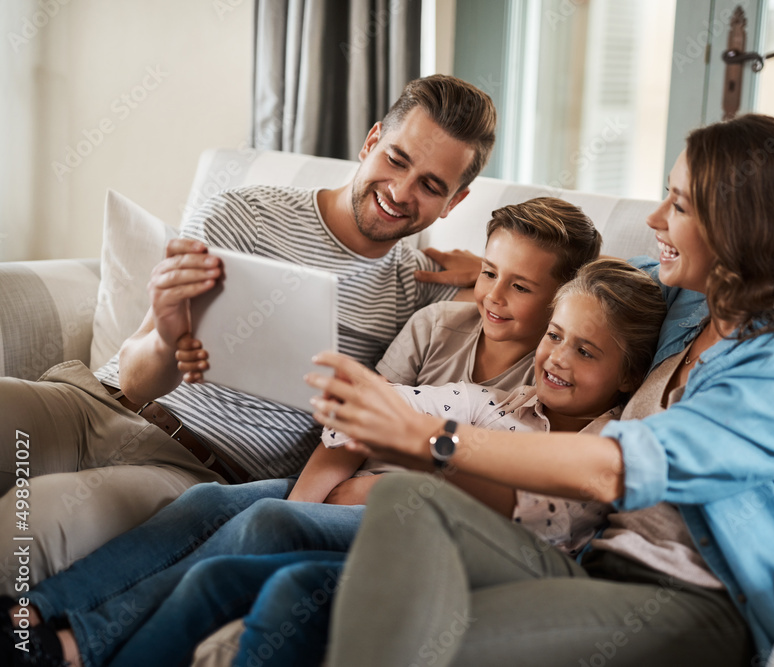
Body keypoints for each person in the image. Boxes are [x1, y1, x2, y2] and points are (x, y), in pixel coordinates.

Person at [306, 114, 774, 666]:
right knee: (409, 502)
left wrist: (432, 438)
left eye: (677, 205)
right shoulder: (685, 303)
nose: (655, 219)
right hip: (592, 565)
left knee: (437, 644)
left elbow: (615, 468)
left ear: (740, 233)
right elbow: (580, 278)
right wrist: (493, 270)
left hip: (701, 603)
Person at [3, 259, 668, 667]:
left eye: (586, 351)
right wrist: (357, 436)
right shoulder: (499, 401)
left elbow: (516, 506)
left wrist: (407, 453)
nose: (557, 356)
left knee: (262, 528)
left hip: (449, 537)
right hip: (384, 491)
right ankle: (33, 616)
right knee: (206, 502)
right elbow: (376, 406)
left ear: (627, 372)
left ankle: (79, 645)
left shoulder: (609, 447)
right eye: (555, 335)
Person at [0, 74, 497, 594]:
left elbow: (572, 297)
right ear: (371, 141)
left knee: (24, 527)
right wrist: (169, 337)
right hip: (95, 404)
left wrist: (492, 269)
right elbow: (137, 381)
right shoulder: (246, 213)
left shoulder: (417, 291)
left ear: (453, 203)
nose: (400, 191)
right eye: (397, 160)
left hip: (192, 470)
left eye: (431, 186)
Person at [285, 196, 601, 505]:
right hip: (335, 483)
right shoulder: (434, 324)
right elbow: (359, 421)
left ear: (565, 298)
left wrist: (368, 492)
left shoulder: (552, 380)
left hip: (406, 509)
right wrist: (300, 505)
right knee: (245, 508)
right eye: (489, 272)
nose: (493, 295)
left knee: (264, 523)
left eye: (520, 287)